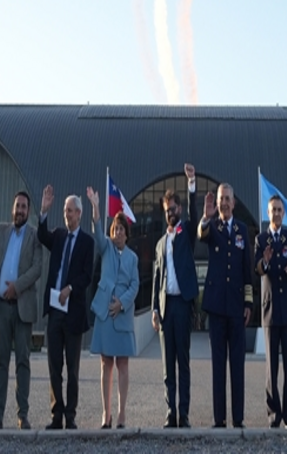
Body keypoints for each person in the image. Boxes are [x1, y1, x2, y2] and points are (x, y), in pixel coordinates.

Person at [0, 187, 42, 430]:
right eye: (17, 206)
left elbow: (37, 269)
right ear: (12, 209)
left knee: (22, 361)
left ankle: (22, 415)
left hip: (22, 307)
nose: (20, 210)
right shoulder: (2, 231)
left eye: (24, 207)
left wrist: (17, 286)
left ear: (28, 211)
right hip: (2, 307)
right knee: (0, 360)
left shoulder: (34, 236)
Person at [38, 185, 94, 430]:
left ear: (79, 213)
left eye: (70, 211)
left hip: (73, 312)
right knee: (54, 367)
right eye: (64, 210)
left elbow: (87, 276)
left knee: (72, 368)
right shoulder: (59, 236)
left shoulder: (86, 242)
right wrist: (43, 211)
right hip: (55, 312)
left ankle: (70, 415)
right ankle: (56, 414)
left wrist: (70, 288)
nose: (67, 215)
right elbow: (42, 236)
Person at [198, 182, 253, 428]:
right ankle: (219, 419)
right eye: (221, 199)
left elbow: (247, 270)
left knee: (237, 365)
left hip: (237, 307)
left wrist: (248, 303)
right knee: (218, 365)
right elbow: (202, 235)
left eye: (228, 199)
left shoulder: (242, 229)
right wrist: (204, 218)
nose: (225, 203)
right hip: (217, 307)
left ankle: (238, 418)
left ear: (234, 202)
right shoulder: (212, 226)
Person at [86, 187, 139, 429]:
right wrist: (95, 206)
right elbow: (97, 230)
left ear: (127, 234)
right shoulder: (105, 247)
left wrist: (123, 303)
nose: (118, 232)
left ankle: (121, 413)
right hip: (106, 314)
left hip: (123, 315)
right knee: (106, 364)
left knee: (123, 365)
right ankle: (105, 414)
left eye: (121, 230)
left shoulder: (133, 258)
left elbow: (136, 285)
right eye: (115, 229)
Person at [151, 163, 199, 428]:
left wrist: (191, 183)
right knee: (168, 366)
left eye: (173, 209)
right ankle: (171, 413)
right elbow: (157, 278)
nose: (170, 213)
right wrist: (154, 310)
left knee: (183, 362)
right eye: (166, 210)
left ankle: (185, 414)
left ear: (178, 209)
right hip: (165, 307)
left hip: (182, 305)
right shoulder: (160, 243)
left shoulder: (185, 233)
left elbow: (194, 213)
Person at [254, 194, 287, 428]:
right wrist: (264, 262)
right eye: (272, 210)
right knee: (271, 368)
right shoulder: (261, 239)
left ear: (283, 214)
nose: (276, 213)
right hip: (270, 311)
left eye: (279, 210)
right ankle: (273, 415)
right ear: (268, 213)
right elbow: (258, 269)